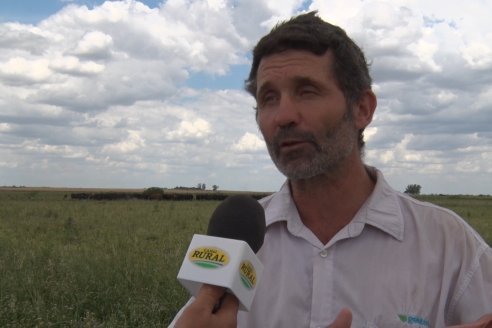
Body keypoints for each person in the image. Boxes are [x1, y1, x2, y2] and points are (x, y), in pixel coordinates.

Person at [169, 11, 492, 327]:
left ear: (362, 109)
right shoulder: (238, 244)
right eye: (268, 98)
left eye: (307, 91)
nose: (283, 116)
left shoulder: (448, 244)